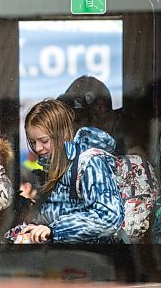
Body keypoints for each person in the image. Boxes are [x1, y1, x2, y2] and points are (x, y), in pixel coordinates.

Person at [21, 99, 124, 243]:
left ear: (62, 134)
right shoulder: (55, 168)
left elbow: (109, 217)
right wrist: (35, 227)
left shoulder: (90, 163)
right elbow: (57, 211)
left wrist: (54, 230)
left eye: (44, 141)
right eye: (32, 142)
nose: (37, 148)